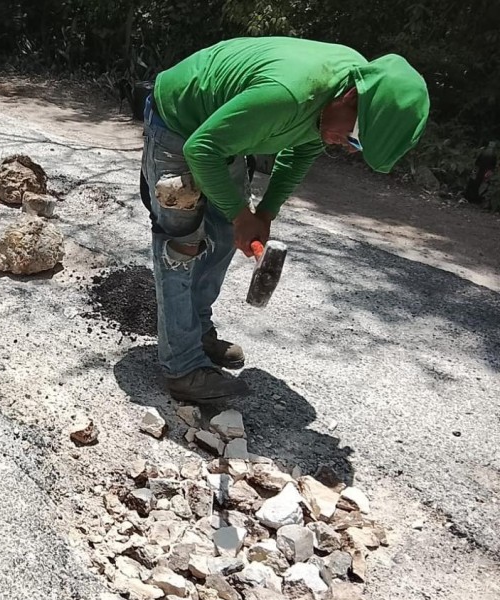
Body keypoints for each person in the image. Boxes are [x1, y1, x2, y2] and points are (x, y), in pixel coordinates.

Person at [140, 36, 429, 403]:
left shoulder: (346, 87)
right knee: (181, 244)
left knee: (226, 235)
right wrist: (240, 214)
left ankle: (194, 331)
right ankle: (181, 366)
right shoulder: (289, 95)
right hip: (179, 125)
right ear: (352, 97)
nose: (345, 145)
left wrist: (263, 213)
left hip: (222, 133)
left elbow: (303, 148)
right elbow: (201, 148)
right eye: (355, 137)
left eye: (356, 147)